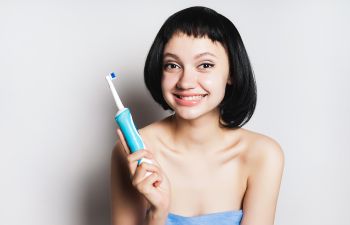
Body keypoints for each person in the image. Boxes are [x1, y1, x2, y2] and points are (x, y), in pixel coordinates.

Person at [111, 6, 284, 225]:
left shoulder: (263, 155)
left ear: (231, 73)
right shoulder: (133, 153)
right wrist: (157, 214)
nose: (185, 82)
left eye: (205, 65)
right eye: (172, 65)